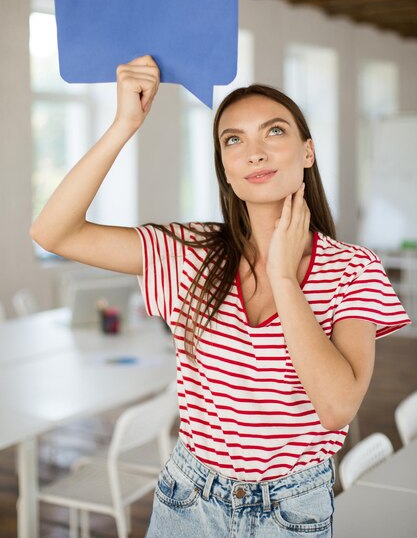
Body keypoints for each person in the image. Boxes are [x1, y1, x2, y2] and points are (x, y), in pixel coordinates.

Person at [30, 55, 411, 537]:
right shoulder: (193, 254)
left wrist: (285, 278)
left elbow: (336, 406)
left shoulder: (352, 267)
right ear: (225, 169)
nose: (254, 152)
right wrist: (125, 122)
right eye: (234, 140)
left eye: (274, 132)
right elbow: (53, 232)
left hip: (292, 510)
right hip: (188, 500)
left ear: (307, 152)